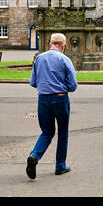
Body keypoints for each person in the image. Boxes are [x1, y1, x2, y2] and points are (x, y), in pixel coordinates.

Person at [26, 33, 78, 179]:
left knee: (47, 132)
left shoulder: (39, 58)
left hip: (43, 99)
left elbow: (33, 82)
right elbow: (73, 85)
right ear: (63, 46)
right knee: (62, 133)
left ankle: (35, 156)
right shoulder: (64, 59)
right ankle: (60, 165)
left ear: (50, 44)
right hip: (60, 98)